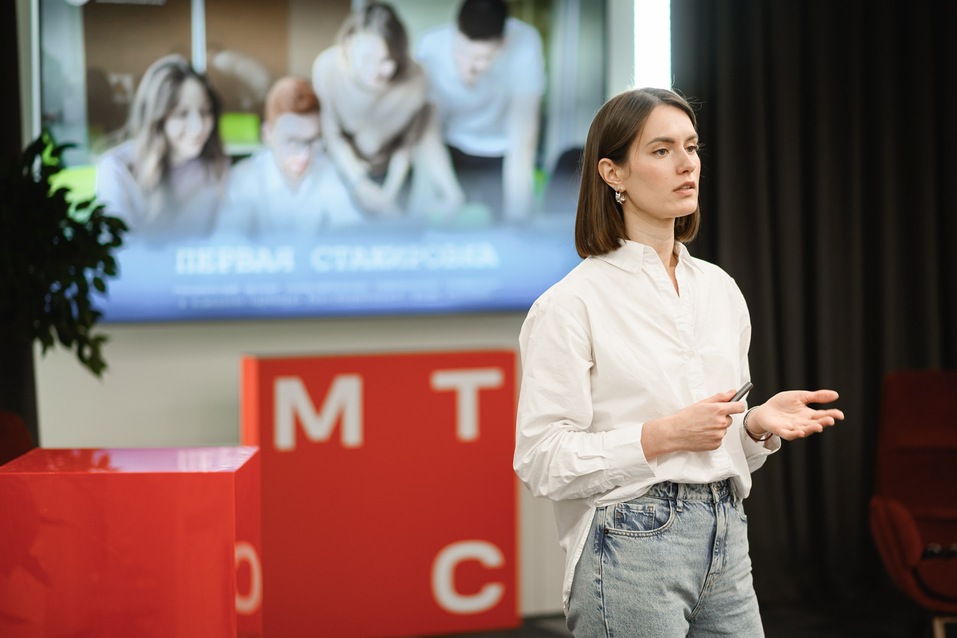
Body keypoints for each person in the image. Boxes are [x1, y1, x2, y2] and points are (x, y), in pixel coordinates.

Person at [512, 87, 845, 637]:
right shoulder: (570, 304)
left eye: (691, 147)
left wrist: (755, 425)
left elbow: (719, 441)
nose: (687, 163)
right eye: (661, 150)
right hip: (628, 541)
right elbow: (541, 459)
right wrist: (660, 436)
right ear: (612, 173)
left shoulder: (720, 290)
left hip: (727, 531)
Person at [312, 2, 463, 219]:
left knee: (392, 234)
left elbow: (408, 142)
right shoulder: (326, 69)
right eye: (366, 59)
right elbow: (332, 135)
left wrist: (389, 195)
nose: (374, 72)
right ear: (348, 44)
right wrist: (359, 182)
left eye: (385, 61)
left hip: (393, 170)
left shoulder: (416, 78)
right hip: (343, 167)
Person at [416, 0, 546, 222]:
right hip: (450, 146)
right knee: (446, 219)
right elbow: (428, 132)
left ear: (502, 44)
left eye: (481, 59)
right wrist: (452, 196)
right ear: (456, 32)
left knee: (507, 224)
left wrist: (518, 216)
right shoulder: (431, 46)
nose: (468, 68)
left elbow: (523, 138)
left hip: (501, 149)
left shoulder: (525, 43)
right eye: (463, 54)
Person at [95, 54, 229, 245]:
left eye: (205, 112)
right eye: (181, 114)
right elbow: (118, 253)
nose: (197, 126)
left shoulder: (216, 167)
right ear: (155, 119)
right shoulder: (117, 169)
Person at [216, 76, 364, 238]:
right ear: (268, 133)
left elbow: (351, 231)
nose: (305, 155)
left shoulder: (328, 171)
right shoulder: (244, 179)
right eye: (292, 141)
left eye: (312, 140)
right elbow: (228, 241)